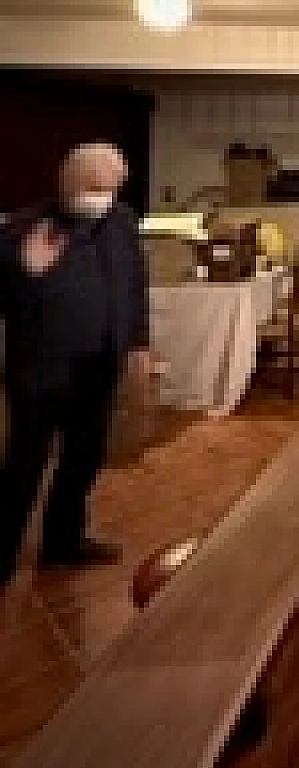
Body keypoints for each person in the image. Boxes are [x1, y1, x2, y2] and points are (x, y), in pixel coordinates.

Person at [0, 143, 149, 584]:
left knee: (84, 457)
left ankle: (64, 542)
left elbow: (134, 284)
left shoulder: (121, 222)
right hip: (43, 369)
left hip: (99, 363)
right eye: (96, 188)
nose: (104, 196)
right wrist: (25, 271)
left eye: (112, 187)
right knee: (25, 464)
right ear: (71, 184)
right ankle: (0, 555)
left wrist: (138, 343)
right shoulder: (24, 228)